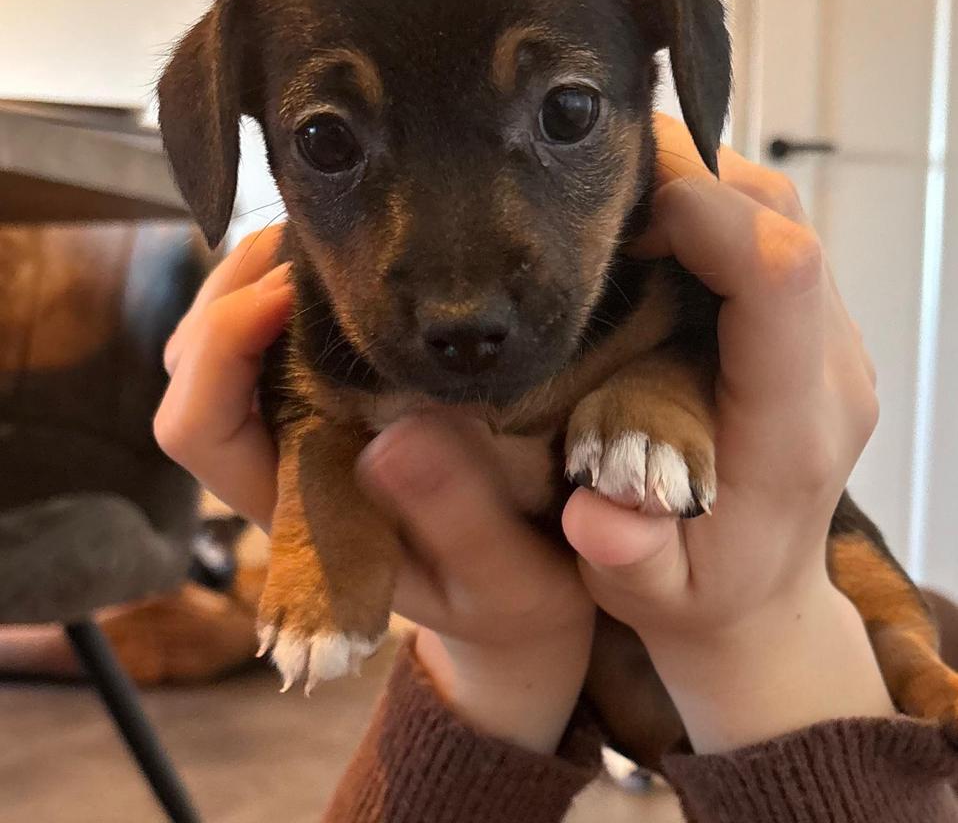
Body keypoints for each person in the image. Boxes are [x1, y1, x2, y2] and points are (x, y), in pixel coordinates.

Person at [155, 116, 958, 822]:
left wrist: (765, 634)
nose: (459, 288)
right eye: (329, 141)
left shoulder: (657, 274)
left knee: (866, 576)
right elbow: (312, 415)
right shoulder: (325, 335)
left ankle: (911, 662)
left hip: (689, 619)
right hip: (566, 660)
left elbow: (693, 345)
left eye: (564, 113)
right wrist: (490, 662)